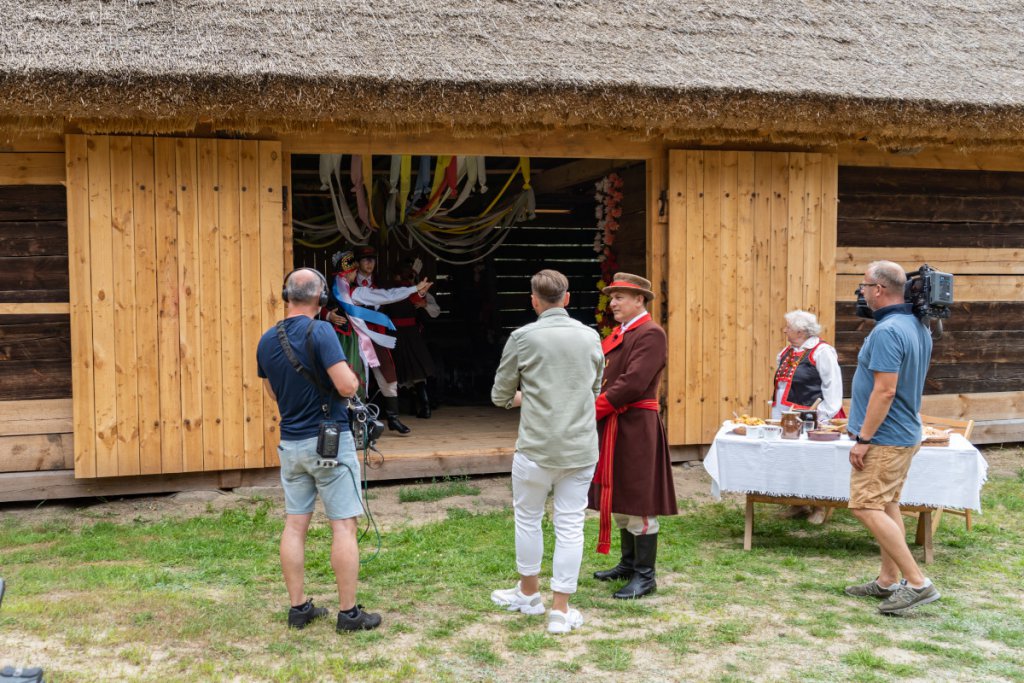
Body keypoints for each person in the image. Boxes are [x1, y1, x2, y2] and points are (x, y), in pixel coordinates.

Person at [256, 267, 382, 632]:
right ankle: (349, 614)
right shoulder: (322, 330)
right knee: (343, 526)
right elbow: (345, 386)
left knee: (295, 525)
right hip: (329, 440)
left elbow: (272, 394)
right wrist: (353, 378)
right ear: (321, 297)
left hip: (290, 443)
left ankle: (299, 608)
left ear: (286, 295)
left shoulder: (267, 339)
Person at [489, 270, 604, 634]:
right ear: (567, 299)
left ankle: (528, 595)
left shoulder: (523, 337)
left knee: (528, 519)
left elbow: (500, 395)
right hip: (580, 447)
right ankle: (560, 610)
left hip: (536, 448)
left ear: (534, 300)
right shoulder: (590, 336)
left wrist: (530, 396)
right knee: (571, 525)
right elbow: (595, 387)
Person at [844, 260, 938, 616]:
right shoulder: (918, 326)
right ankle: (887, 580)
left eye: (865, 285)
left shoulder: (886, 331)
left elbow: (885, 391)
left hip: (884, 437)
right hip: (903, 433)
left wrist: (864, 437)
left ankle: (917, 583)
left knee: (864, 505)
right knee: (886, 505)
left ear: (879, 289)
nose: (863, 292)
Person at [588, 272, 677, 599]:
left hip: (636, 425)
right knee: (622, 490)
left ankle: (645, 576)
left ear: (640, 299)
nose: (613, 303)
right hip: (616, 423)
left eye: (620, 297)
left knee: (638, 496)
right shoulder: (621, 333)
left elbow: (633, 383)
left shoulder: (651, 333)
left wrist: (593, 409)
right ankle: (627, 564)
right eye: (611, 297)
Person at [325, 247, 433, 435]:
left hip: (374, 337)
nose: (369, 263)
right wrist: (328, 316)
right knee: (354, 378)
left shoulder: (380, 283)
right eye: (365, 260)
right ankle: (354, 422)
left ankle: (393, 418)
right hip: (349, 339)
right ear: (355, 265)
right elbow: (318, 307)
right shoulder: (338, 288)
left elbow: (392, 297)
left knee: (388, 375)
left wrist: (417, 290)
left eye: (372, 259)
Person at [771, 309, 844, 524]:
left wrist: (823, 415)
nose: (785, 330)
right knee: (791, 458)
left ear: (801, 331)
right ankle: (798, 502)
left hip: (811, 415)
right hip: (786, 416)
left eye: (788, 327)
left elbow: (833, 385)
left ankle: (819, 506)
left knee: (815, 461)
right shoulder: (787, 352)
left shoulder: (821, 352)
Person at [383, 260, 441, 419]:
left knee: (402, 368)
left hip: (397, 333)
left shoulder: (393, 293)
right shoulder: (413, 293)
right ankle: (422, 406)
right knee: (415, 370)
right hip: (411, 334)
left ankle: (417, 407)